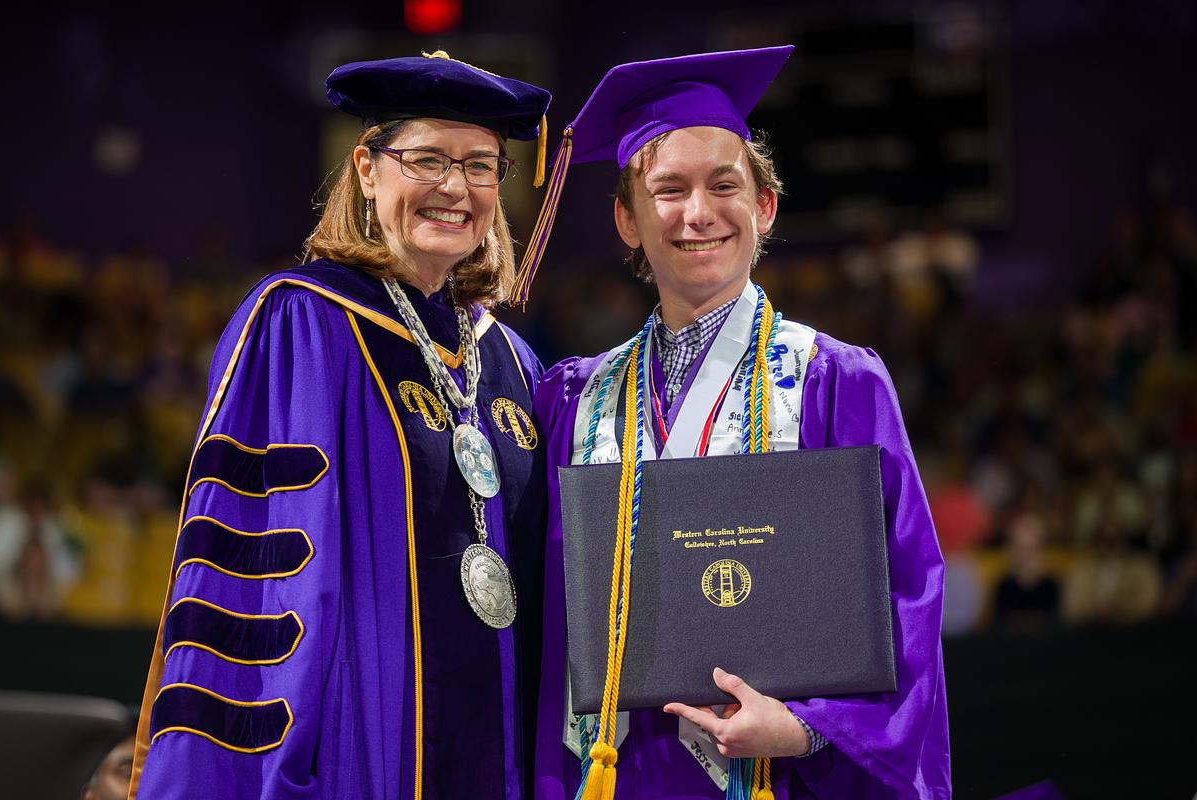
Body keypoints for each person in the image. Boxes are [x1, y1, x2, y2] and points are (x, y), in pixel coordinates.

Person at [522, 48, 950, 798]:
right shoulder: (572, 400)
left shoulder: (832, 380)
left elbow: (908, 593)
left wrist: (812, 728)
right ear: (626, 218)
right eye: (668, 190)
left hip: (775, 776)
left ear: (766, 206)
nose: (698, 213)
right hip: (612, 774)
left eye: (725, 184)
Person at [130, 51, 551, 798]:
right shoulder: (303, 323)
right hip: (363, 756)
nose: (456, 187)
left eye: (482, 166)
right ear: (366, 168)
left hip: (504, 753)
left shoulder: (511, 359)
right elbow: (262, 581)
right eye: (427, 158)